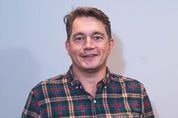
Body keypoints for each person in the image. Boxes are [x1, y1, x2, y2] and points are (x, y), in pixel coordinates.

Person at [22, 7, 154, 118]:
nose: (88, 45)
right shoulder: (42, 95)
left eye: (97, 37)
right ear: (68, 47)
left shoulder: (136, 92)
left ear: (110, 44)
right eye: (79, 38)